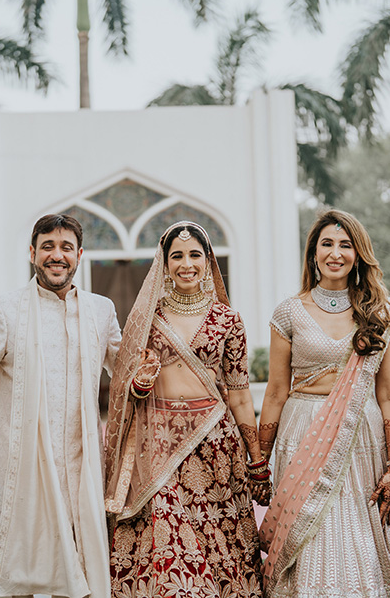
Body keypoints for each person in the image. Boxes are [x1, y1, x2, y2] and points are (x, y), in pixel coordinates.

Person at [257, 210, 390, 597]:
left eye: (345, 245)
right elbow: (275, 392)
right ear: (313, 253)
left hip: (362, 434)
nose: (335, 253)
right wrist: (260, 461)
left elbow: (389, 393)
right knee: (308, 536)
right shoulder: (289, 311)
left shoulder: (382, 312)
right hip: (303, 430)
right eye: (327, 244)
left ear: (358, 254)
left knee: (358, 532)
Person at [0, 214, 122, 598]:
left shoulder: (101, 310)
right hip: (21, 469)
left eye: (65, 247)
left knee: (77, 583)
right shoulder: (6, 310)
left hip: (82, 472)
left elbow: (127, 375)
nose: (56, 255)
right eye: (47, 246)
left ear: (79, 255)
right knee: (18, 582)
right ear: (33, 254)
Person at [104, 221, 268, 598]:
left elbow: (240, 394)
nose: (186, 263)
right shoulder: (147, 319)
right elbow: (126, 386)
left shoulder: (228, 320)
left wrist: (256, 458)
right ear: (164, 264)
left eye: (195, 254)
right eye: (176, 256)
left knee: (218, 548)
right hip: (160, 447)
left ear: (208, 261)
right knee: (169, 547)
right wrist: (140, 382)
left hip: (216, 447)